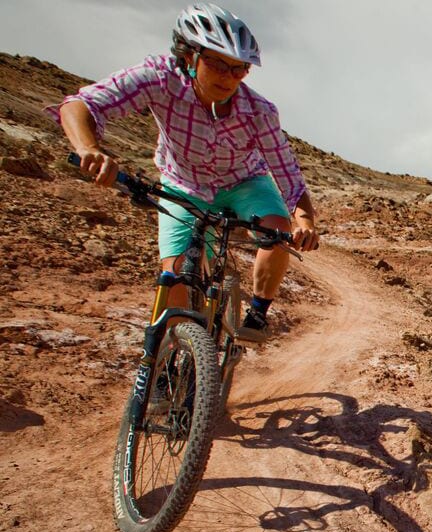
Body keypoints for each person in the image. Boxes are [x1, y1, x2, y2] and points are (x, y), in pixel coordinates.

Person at [49, 3, 320, 342]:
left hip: (245, 182)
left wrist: (304, 222)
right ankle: (170, 360)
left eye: (240, 70)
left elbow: (289, 176)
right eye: (218, 64)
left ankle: (258, 313)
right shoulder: (159, 78)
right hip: (183, 183)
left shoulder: (259, 112)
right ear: (188, 55)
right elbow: (81, 105)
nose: (229, 77)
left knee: (276, 232)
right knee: (175, 278)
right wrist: (89, 149)